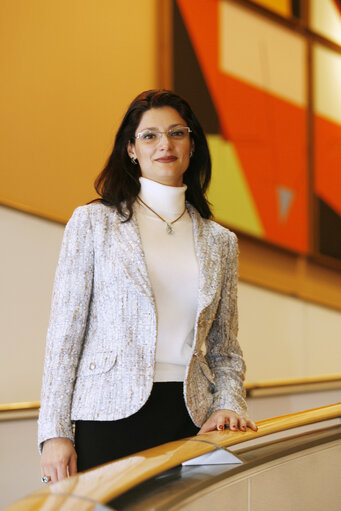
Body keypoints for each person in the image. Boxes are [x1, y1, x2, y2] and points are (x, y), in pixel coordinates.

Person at [38, 89, 257, 484]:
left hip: (193, 417)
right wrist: (54, 433)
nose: (165, 144)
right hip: (107, 416)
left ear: (192, 145)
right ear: (132, 150)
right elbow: (64, 336)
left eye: (177, 132)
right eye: (150, 135)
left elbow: (226, 348)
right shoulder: (93, 223)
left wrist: (228, 403)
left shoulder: (220, 241)